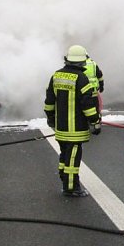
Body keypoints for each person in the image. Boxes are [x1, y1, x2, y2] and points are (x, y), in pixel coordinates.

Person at [44, 44, 102, 197]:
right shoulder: (82, 78)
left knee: (65, 156)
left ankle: (65, 180)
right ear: (82, 62)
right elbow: (88, 105)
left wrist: (50, 118)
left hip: (61, 127)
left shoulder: (56, 75)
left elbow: (49, 101)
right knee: (73, 160)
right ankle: (71, 188)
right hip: (76, 129)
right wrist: (95, 121)